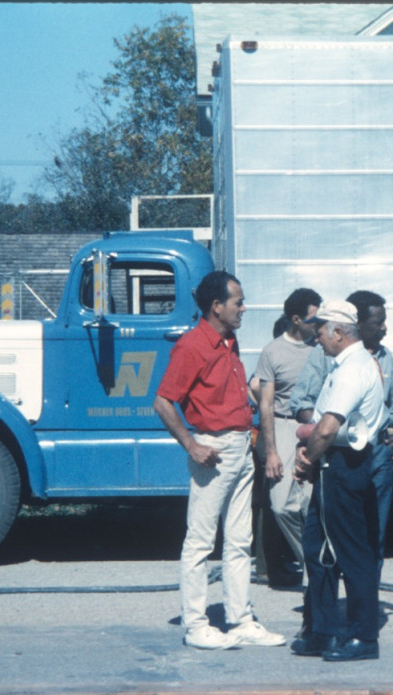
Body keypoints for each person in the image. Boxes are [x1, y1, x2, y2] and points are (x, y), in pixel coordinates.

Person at [153, 270, 286, 651]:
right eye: (238, 302)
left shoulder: (229, 341)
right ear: (216, 306)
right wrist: (192, 446)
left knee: (240, 540)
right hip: (213, 452)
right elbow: (163, 401)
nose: (243, 308)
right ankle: (195, 626)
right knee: (199, 541)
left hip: (242, 447)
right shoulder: (192, 346)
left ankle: (240, 619)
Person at [289, 300, 388, 662]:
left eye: (321, 329)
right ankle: (323, 629)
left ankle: (363, 636)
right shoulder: (350, 364)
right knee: (317, 548)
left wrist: (306, 458)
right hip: (339, 464)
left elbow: (329, 427)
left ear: (338, 332)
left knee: (352, 552)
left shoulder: (351, 369)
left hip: (344, 465)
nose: (317, 336)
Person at [290, 290, 393, 573]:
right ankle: (336, 597)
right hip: (341, 456)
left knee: (374, 533)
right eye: (378, 322)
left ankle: (366, 595)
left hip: (378, 455)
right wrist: (324, 429)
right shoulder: (326, 356)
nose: (384, 328)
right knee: (335, 533)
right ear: (357, 323)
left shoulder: (385, 357)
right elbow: (301, 402)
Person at [253, 288, 322, 586]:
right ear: (295, 319)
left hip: (316, 428)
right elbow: (265, 404)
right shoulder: (273, 351)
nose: (319, 325)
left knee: (309, 504)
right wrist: (271, 452)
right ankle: (314, 562)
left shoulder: (322, 349)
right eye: (313, 319)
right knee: (281, 505)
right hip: (282, 427)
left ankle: (315, 576)